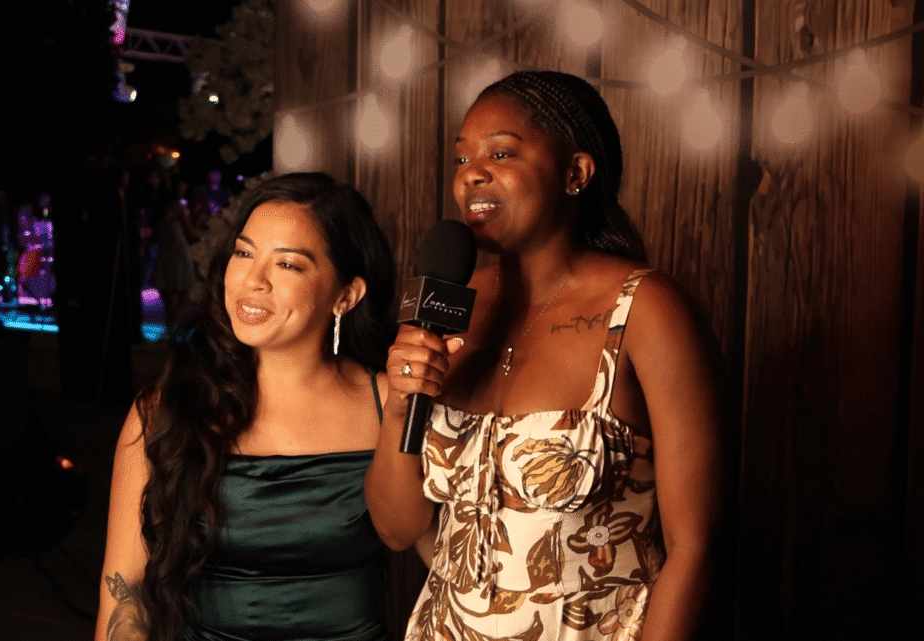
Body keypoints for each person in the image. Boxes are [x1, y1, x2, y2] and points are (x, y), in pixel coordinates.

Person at [364, 70, 724, 640]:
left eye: (500, 153)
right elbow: (396, 525)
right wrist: (400, 401)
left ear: (575, 173)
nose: (472, 174)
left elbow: (695, 546)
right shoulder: (449, 305)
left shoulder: (647, 311)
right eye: (461, 160)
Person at [96, 172, 398, 641]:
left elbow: (449, 558)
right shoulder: (168, 408)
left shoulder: (390, 404)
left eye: (288, 265)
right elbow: (124, 593)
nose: (252, 281)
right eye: (244, 253)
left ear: (347, 295)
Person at [152, 173, 199, 332]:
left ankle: (170, 329)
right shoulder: (178, 207)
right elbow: (192, 232)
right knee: (188, 294)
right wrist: (199, 215)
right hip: (179, 251)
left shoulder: (161, 207)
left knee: (172, 291)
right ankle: (172, 325)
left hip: (166, 251)